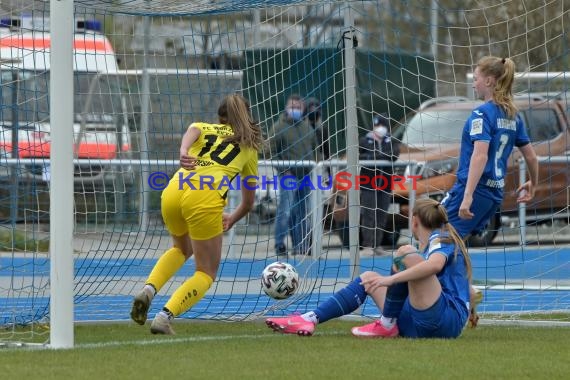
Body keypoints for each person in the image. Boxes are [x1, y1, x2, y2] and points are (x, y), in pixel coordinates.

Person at [130, 94, 263, 334]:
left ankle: (149, 289)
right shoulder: (249, 146)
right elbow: (249, 202)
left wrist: (183, 150)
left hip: (174, 190)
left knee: (181, 248)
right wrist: (231, 218)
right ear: (246, 115)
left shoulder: (204, 127)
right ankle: (164, 316)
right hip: (204, 196)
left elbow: (192, 129)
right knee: (205, 272)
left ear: (220, 117)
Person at [266, 198, 472, 338]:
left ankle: (386, 324)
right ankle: (309, 319)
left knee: (404, 253)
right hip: (421, 323)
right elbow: (467, 289)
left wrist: (391, 280)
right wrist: (473, 307)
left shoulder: (441, 238)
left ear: (415, 221)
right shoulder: (432, 245)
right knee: (369, 278)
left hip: (443, 320)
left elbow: (435, 265)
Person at [440, 56, 539, 327]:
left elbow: (480, 156)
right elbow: (532, 157)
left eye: (475, 78)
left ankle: (461, 296)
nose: (473, 82)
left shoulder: (482, 114)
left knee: (437, 238)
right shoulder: (512, 116)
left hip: (474, 189)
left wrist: (468, 194)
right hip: (494, 193)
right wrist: (533, 183)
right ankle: (465, 295)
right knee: (453, 242)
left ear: (490, 81)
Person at [270, 94, 322, 256]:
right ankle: (279, 243)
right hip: (288, 176)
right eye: (293, 107)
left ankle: (301, 245)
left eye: (298, 108)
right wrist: (283, 170)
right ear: (286, 108)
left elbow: (316, 150)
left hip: (306, 176)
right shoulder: (278, 127)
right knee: (285, 210)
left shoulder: (307, 128)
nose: (295, 110)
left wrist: (317, 166)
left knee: (301, 212)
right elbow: (270, 152)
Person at [358, 113, 400, 255]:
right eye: (377, 125)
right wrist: (378, 156)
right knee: (369, 214)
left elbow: (394, 155)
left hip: (385, 182)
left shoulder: (391, 140)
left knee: (381, 214)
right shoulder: (364, 140)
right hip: (368, 182)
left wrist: (374, 155)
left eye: (382, 125)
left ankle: (377, 244)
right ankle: (368, 245)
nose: (379, 128)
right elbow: (361, 156)